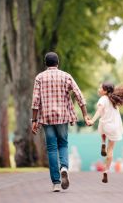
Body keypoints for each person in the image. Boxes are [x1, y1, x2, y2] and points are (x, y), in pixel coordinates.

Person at [30, 52, 91, 192]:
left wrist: (34, 120)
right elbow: (78, 95)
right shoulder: (66, 76)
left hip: (46, 117)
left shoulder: (39, 77)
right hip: (62, 116)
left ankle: (56, 183)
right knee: (63, 144)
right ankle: (64, 167)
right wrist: (85, 115)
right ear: (58, 63)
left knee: (51, 148)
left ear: (45, 63)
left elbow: (35, 101)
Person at [87, 82, 123, 183]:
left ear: (105, 91)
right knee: (111, 151)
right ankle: (106, 170)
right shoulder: (115, 98)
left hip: (105, 125)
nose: (98, 89)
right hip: (114, 127)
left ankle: (102, 143)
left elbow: (99, 111)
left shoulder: (103, 99)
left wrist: (92, 120)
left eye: (100, 88)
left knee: (101, 127)